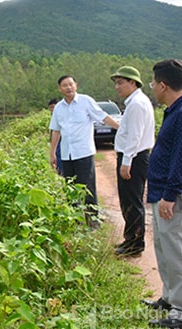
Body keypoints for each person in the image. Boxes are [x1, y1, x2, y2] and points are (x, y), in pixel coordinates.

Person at [144, 59, 182, 329]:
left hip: (174, 194)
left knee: (178, 251)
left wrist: (170, 195)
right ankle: (170, 298)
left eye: (153, 83)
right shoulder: (174, 111)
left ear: (163, 85)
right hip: (162, 191)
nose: (152, 87)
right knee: (164, 247)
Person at [49, 75, 119, 228]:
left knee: (88, 187)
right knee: (71, 188)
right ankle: (75, 222)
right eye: (64, 85)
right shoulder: (59, 108)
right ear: (59, 89)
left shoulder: (86, 101)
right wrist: (52, 152)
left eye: (71, 84)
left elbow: (103, 117)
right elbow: (56, 131)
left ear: (76, 85)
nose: (68, 87)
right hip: (67, 154)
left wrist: (121, 128)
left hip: (84, 153)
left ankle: (93, 222)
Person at [109, 66, 155, 257]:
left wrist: (126, 162)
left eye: (121, 83)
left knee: (132, 201)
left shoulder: (136, 104)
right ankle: (130, 239)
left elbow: (134, 136)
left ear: (133, 83)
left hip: (134, 158)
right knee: (128, 199)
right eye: (116, 83)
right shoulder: (136, 102)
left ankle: (134, 244)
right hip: (135, 156)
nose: (117, 87)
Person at [48, 98, 63, 176]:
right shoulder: (53, 116)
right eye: (51, 107)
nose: (52, 109)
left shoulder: (61, 115)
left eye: (54, 107)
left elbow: (57, 131)